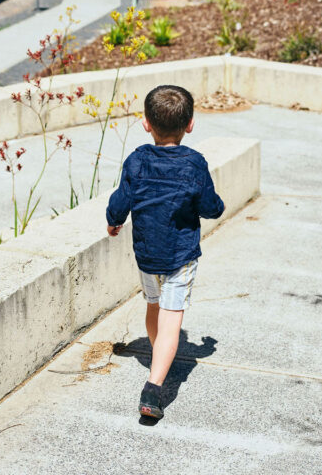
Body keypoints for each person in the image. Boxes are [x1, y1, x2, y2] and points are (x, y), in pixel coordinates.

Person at [106, 84, 225, 419]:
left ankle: (159, 355)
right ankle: (154, 388)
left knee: (153, 305)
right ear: (190, 124)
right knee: (173, 321)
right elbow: (208, 205)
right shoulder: (194, 163)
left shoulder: (137, 160)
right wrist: (217, 208)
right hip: (179, 256)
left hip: (147, 253)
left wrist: (113, 221)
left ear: (146, 123)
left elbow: (121, 199)